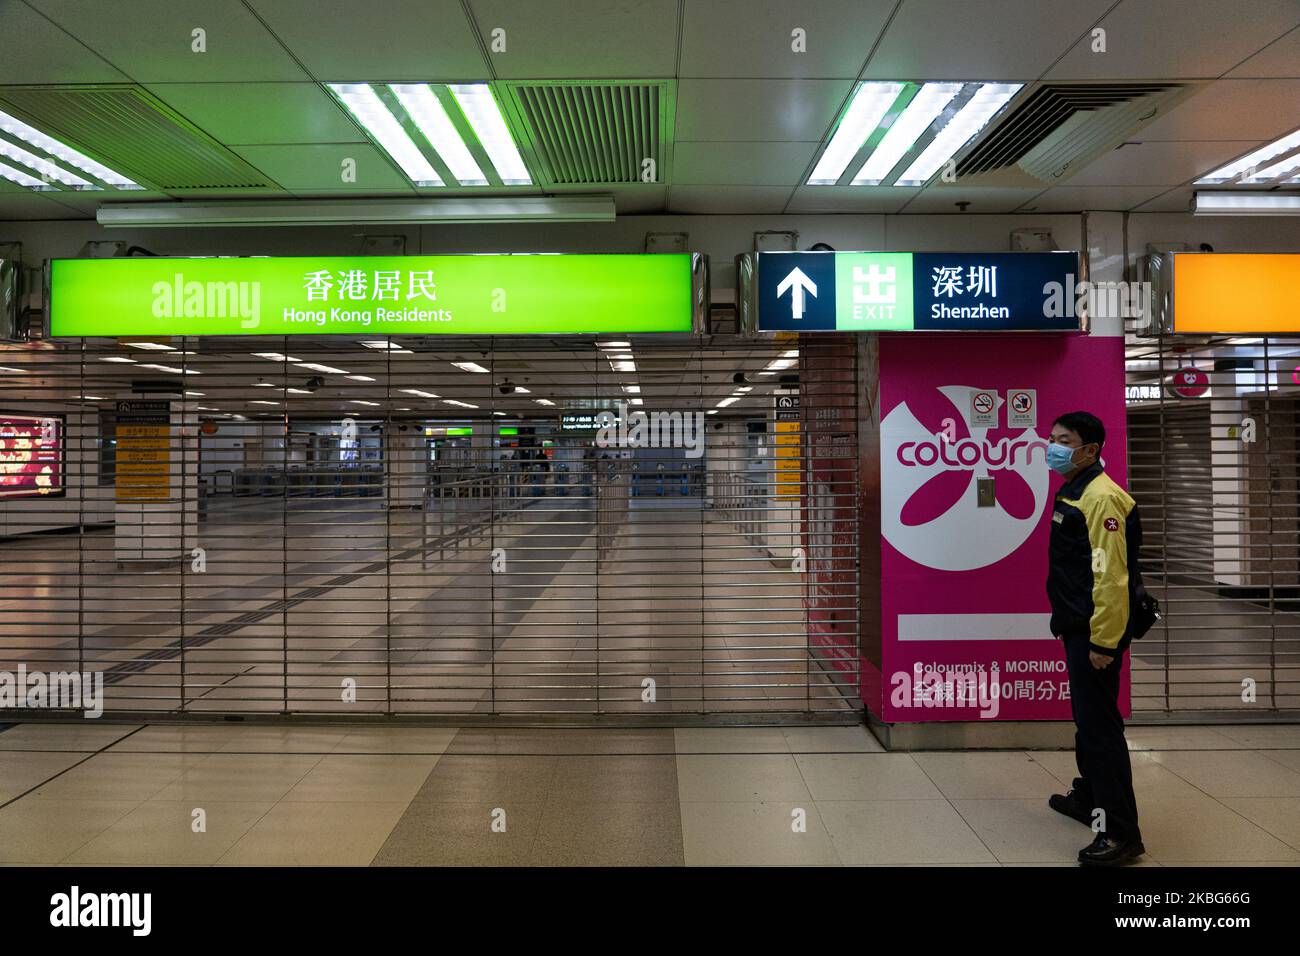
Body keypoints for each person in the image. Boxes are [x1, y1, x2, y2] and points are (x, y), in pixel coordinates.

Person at [1044, 411, 1145, 866]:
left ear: (1090, 449)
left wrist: (1104, 642)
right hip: (1077, 625)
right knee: (1088, 722)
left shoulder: (1103, 498)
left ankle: (1121, 833)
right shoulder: (1075, 488)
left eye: (1064, 440)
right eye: (1052, 438)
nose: (1054, 446)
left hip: (1094, 632)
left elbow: (1111, 579)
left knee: (1101, 730)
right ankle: (1091, 801)